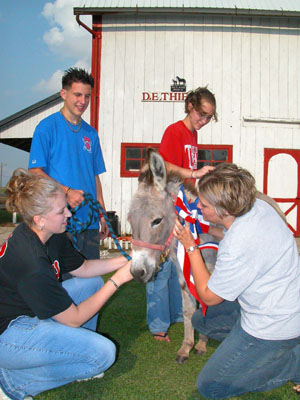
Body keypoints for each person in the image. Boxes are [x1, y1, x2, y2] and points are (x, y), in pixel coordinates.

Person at [0, 169, 133, 400]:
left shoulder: (51, 233)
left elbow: (83, 268)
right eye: (61, 210)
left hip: (28, 312)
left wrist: (130, 258)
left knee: (90, 283)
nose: (69, 214)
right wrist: (118, 279)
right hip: (9, 336)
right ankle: (10, 383)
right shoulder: (31, 261)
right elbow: (74, 318)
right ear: (39, 219)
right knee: (104, 355)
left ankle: (75, 353)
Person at [173, 163, 300, 399]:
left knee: (211, 386)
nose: (198, 207)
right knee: (203, 319)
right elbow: (228, 231)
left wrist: (191, 246)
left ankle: (294, 363)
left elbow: (209, 296)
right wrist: (204, 227)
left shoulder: (238, 244)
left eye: (204, 205)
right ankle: (262, 349)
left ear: (224, 210)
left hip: (274, 325)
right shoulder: (258, 207)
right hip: (286, 307)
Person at [146, 87, 220, 342]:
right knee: (163, 265)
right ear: (190, 106)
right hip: (167, 204)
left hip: (181, 204)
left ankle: (179, 314)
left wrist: (197, 189)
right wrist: (193, 175)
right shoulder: (175, 131)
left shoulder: (192, 135)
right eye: (201, 114)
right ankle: (158, 325)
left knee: (180, 262)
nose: (204, 120)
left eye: (209, 117)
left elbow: (184, 173)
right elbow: (164, 167)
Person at [28, 67, 108, 260]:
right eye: (77, 95)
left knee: (91, 282)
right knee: (62, 284)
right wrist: (66, 192)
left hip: (88, 224)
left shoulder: (91, 134)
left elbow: (94, 175)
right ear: (63, 94)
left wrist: (102, 212)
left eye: (87, 96)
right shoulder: (47, 128)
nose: (83, 101)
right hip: (59, 223)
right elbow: (35, 172)